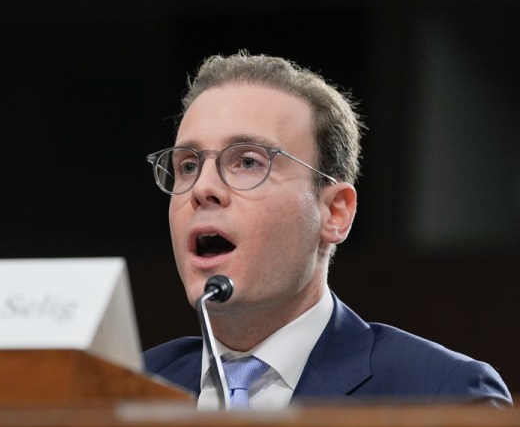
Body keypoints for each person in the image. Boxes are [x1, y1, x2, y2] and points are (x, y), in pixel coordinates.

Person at [143, 51, 512, 409]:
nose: (203, 188)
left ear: (335, 212)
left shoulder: (440, 394)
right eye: (188, 165)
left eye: (248, 162)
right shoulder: (121, 390)